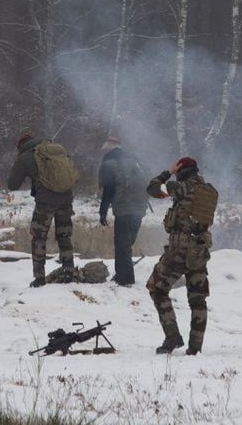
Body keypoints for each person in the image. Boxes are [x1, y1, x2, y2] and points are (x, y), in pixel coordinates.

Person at [145, 157, 217, 355]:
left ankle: (172, 337)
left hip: (179, 249)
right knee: (198, 299)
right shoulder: (211, 191)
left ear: (182, 171)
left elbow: (152, 188)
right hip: (200, 249)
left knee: (157, 288)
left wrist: (167, 172)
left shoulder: (181, 188)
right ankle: (195, 347)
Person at [8, 132, 79, 287]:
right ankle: (69, 272)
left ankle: (39, 277)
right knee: (64, 235)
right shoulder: (55, 150)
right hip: (66, 198)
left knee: (39, 237)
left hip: (45, 201)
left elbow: (12, 184)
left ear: (21, 146)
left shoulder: (25, 157)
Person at [98, 137, 149, 285]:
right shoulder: (134, 160)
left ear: (108, 150)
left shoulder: (109, 164)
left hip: (124, 209)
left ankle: (125, 279)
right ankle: (123, 275)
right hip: (140, 207)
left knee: (122, 244)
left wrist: (102, 212)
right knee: (127, 243)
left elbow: (108, 189)